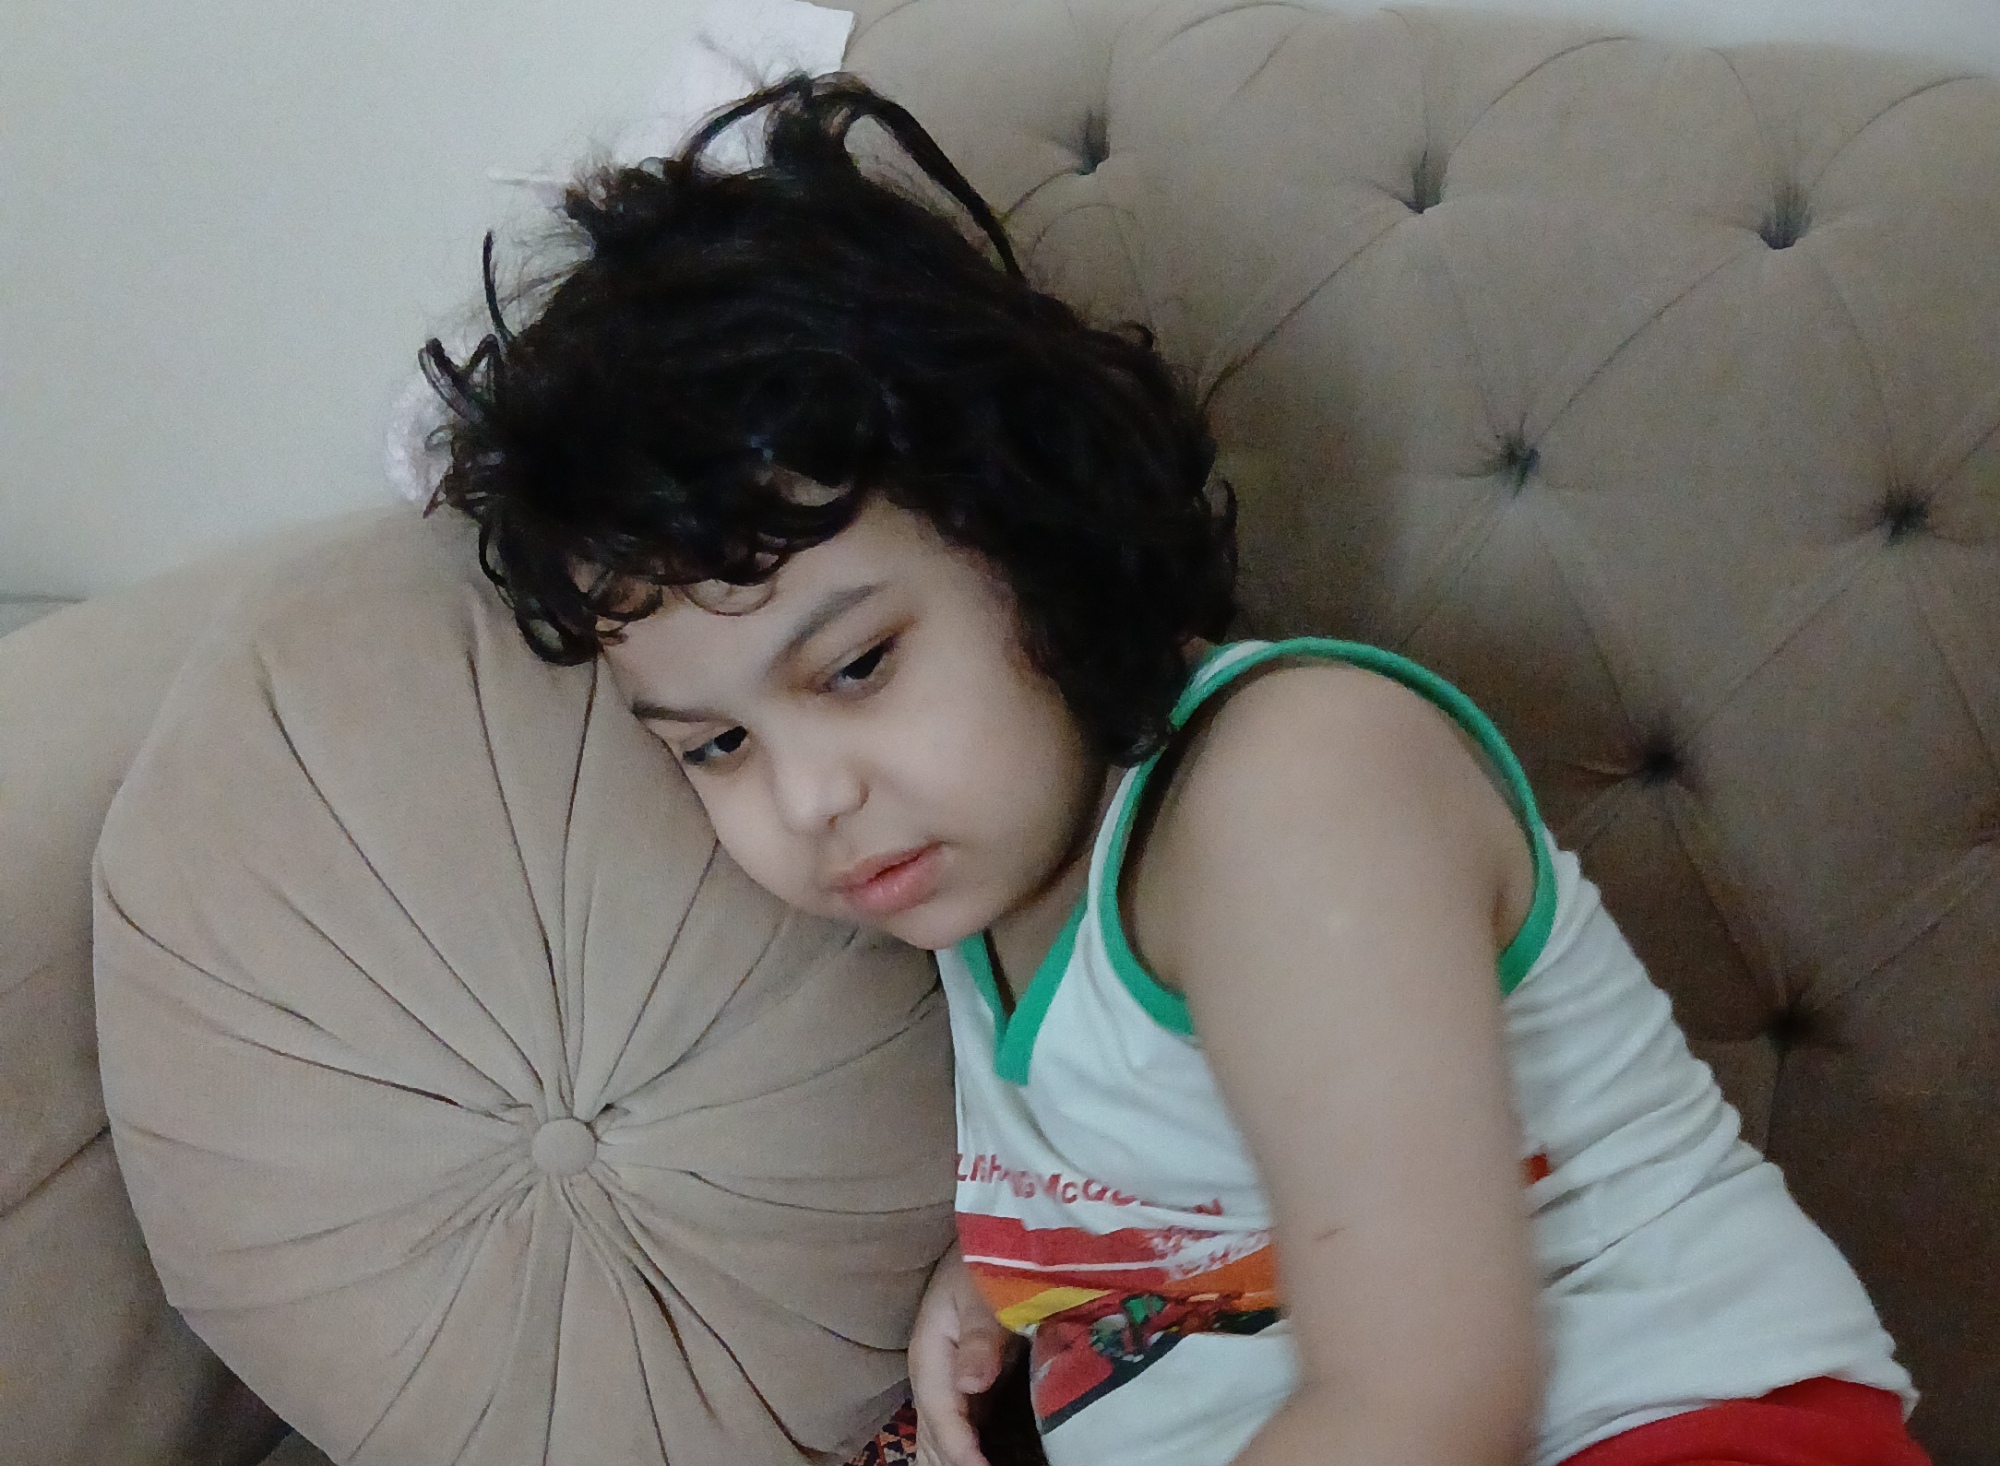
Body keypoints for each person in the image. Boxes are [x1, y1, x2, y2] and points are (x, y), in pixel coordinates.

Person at [421, 74, 1928, 1466]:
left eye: (859, 665)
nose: (809, 797)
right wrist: (1020, 1279)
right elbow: (1216, 1185)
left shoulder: (1292, 787)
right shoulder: (980, 884)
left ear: (1030, 532)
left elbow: (1431, 1394)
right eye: (719, 745)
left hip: (1672, 1425)